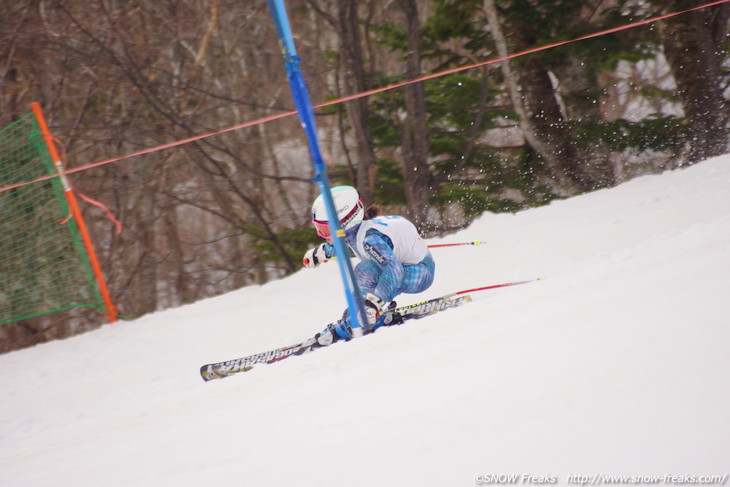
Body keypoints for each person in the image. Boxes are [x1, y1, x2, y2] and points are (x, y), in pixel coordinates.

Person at [302, 185, 435, 344]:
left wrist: (373, 303)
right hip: (402, 264)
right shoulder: (355, 231)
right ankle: (357, 317)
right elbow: (342, 240)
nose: (322, 235)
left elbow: (394, 270)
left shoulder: (370, 239)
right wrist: (324, 252)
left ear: (346, 222)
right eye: (319, 229)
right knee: (367, 269)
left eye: (325, 229)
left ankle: (360, 320)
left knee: (366, 270)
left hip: (420, 272)